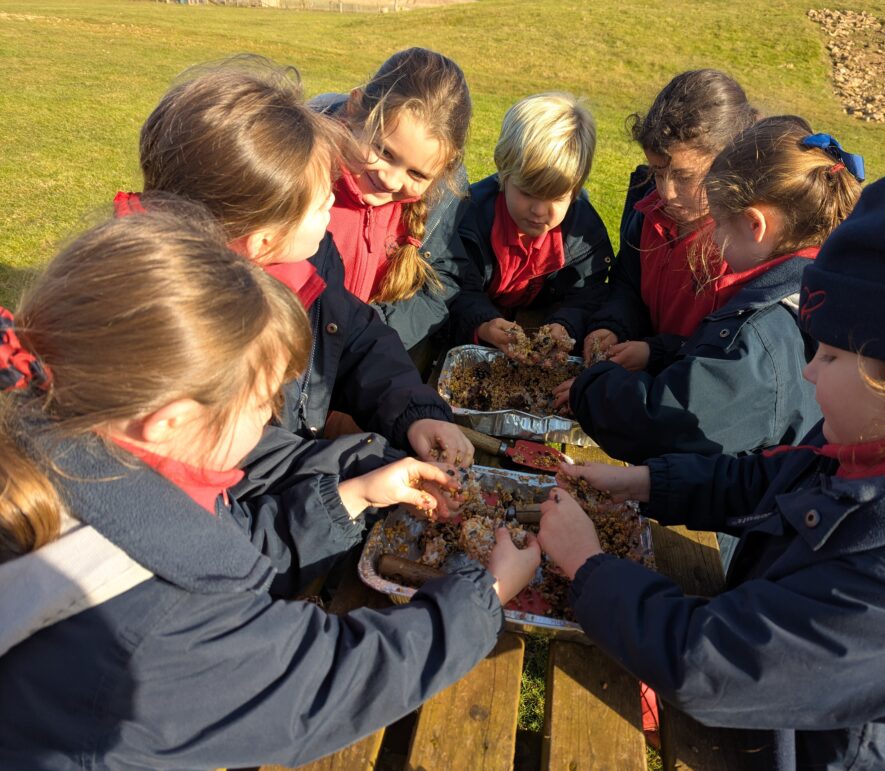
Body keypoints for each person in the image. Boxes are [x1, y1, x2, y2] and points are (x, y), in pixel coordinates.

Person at [537, 76, 885, 769]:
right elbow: (768, 479)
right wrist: (645, 480)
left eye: (828, 353)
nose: (807, 371)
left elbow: (704, 663)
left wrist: (587, 565)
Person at [0, 206, 540, 769]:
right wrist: (486, 594)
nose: (268, 421)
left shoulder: (60, 435)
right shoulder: (151, 625)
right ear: (171, 422)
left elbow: (221, 540)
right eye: (262, 405)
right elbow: (329, 682)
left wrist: (353, 494)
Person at [134, 55, 472, 464]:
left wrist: (416, 415)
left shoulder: (311, 256)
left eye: (417, 174)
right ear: (264, 236)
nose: (329, 203)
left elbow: (350, 333)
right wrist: (340, 482)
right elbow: (251, 464)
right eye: (318, 202)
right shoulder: (201, 316)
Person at [562, 116, 863, 464]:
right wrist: (658, 354)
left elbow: (669, 423)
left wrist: (591, 388)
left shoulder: (764, 330)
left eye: (719, 223)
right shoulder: (809, 288)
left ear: (755, 225)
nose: (715, 237)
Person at [581, 69, 759, 370]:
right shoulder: (648, 214)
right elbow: (628, 286)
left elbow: (734, 350)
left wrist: (655, 352)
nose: (666, 192)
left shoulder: (747, 243)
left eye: (683, 176)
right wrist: (612, 326)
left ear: (730, 163)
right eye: (657, 173)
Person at [312, 47, 474, 352]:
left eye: (416, 174)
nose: (391, 179)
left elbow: (439, 283)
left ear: (442, 170)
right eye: (384, 151)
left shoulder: (442, 196)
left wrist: (372, 335)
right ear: (354, 107)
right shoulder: (300, 170)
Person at [449, 92, 613, 355]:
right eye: (527, 193)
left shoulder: (585, 235)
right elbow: (452, 286)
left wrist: (566, 324)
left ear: (575, 190)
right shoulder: (468, 217)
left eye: (556, 198)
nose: (538, 211)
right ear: (504, 172)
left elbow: (588, 295)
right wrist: (482, 322)